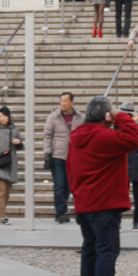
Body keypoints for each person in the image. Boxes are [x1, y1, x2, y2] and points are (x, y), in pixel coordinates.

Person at [67, 95, 138, 276]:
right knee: (106, 252)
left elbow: (69, 169)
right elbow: (134, 139)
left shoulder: (76, 138)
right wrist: (120, 117)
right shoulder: (104, 136)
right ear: (105, 115)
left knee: (90, 251)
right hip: (105, 205)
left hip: (84, 204)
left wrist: (78, 194)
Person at [43, 92, 84, 224]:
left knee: (69, 186)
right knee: (60, 184)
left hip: (74, 156)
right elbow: (47, 135)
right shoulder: (54, 117)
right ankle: (60, 212)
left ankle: (65, 209)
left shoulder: (79, 117)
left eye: (66, 101)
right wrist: (47, 153)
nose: (63, 104)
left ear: (72, 103)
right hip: (58, 156)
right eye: (61, 101)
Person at [118, 102, 138, 231]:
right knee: (119, 195)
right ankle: (117, 222)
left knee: (137, 195)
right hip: (123, 162)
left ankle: (136, 223)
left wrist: (137, 123)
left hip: (136, 163)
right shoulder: (119, 125)